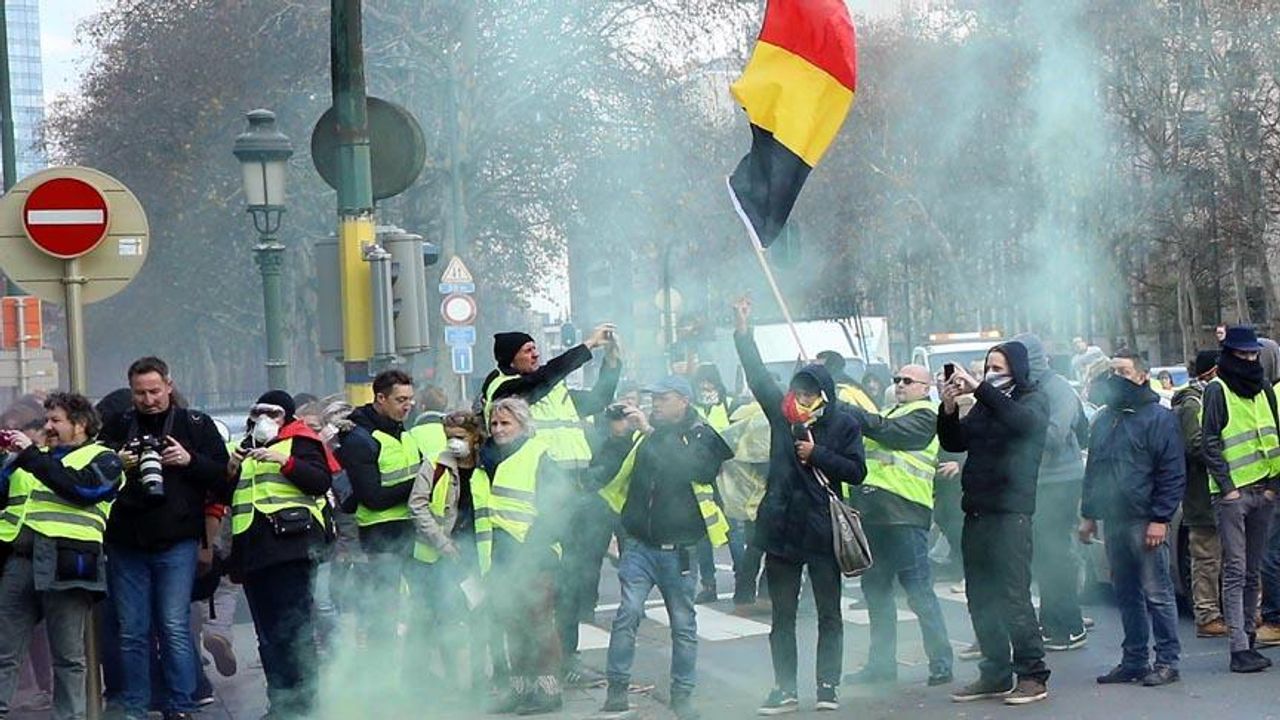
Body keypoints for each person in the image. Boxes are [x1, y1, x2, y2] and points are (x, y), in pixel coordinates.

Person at [732, 300, 866, 715]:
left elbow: (856, 472)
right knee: (782, 618)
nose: (801, 398)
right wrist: (743, 331)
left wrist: (817, 454)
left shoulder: (843, 424)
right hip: (781, 529)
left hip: (823, 531)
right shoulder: (782, 417)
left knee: (829, 614)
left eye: (810, 392)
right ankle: (784, 688)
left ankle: (828, 685)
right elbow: (757, 377)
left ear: (824, 395)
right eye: (798, 391)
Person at [481, 324, 621, 683]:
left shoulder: (553, 389)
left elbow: (598, 399)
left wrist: (612, 363)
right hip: (541, 499)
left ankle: (567, 658)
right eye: (527, 349)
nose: (535, 354)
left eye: (535, 349)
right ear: (510, 358)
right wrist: (587, 345)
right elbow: (542, 380)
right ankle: (523, 674)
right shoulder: (505, 388)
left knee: (572, 581)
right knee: (533, 593)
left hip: (574, 493)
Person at [99, 357, 229, 720]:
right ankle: (135, 707)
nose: (149, 400)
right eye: (140, 393)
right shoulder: (117, 426)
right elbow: (92, 473)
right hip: (126, 541)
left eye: (155, 391)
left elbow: (222, 479)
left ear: (169, 386)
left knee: (173, 626)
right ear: (131, 393)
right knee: (132, 631)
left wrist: (189, 460)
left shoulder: (195, 425)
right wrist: (117, 463)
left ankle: (181, 704)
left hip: (177, 540)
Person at [596, 376, 732, 720]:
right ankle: (617, 690)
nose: (655, 404)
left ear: (684, 400)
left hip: (680, 549)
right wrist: (617, 433)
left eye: (663, 398)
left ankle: (682, 695)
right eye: (652, 398)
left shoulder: (702, 433)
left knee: (683, 625)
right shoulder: (641, 435)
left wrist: (651, 434)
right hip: (640, 544)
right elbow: (607, 472)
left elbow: (697, 469)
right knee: (627, 614)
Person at [938, 341, 1051, 706]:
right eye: (988, 367)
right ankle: (995, 671)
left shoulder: (1031, 400)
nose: (990, 373)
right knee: (980, 596)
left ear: (1016, 369)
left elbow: (1022, 423)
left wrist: (981, 391)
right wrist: (950, 407)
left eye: (998, 368)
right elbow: (955, 440)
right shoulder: (987, 407)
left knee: (1013, 596)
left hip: (1011, 513)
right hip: (977, 511)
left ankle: (1032, 673)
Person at [0, 393, 124, 720]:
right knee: (4, 650)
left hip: (68, 562)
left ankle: (68, 717)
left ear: (80, 424)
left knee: (68, 657)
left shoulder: (105, 459)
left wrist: (29, 456)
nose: (49, 427)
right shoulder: (32, 457)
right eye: (47, 421)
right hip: (21, 560)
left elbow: (82, 490)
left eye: (56, 421)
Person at [1079, 351, 1185, 687]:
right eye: (1112, 372)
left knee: (1157, 593)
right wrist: (1089, 516)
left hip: (1144, 520)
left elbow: (1171, 471)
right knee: (1125, 592)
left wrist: (1160, 518)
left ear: (1142, 376)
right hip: (1114, 520)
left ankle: (1167, 661)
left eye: (1124, 371)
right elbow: (1095, 468)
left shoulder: (1159, 418)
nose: (1116, 378)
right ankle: (1134, 660)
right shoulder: (1104, 418)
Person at [842, 364, 952, 688]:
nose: (900, 385)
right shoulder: (890, 411)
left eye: (907, 381)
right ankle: (881, 664)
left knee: (918, 592)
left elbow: (888, 431)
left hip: (905, 515)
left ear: (925, 386)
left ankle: (941, 661)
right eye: (897, 380)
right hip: (875, 516)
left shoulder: (927, 415)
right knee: (876, 595)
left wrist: (847, 406)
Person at [225, 391, 334, 717]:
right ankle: (281, 705)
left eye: (272, 413)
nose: (264, 419)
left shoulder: (301, 441)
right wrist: (230, 469)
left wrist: (284, 462)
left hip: (291, 548)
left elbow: (319, 480)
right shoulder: (241, 448)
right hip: (253, 552)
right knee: (268, 637)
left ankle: (304, 706)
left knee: (294, 632)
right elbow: (225, 494)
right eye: (258, 412)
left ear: (286, 416)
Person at [479, 398, 571, 715]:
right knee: (513, 626)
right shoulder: (490, 458)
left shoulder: (539, 455)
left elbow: (556, 508)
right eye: (494, 424)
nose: (498, 429)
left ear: (522, 424)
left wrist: (533, 549)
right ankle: (520, 690)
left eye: (506, 423)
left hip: (534, 556)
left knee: (539, 626)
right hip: (503, 557)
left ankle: (548, 692)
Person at [1202, 326, 1279, 673]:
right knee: (1235, 571)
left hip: (1263, 490)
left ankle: (1248, 638)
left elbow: (1275, 436)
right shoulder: (1217, 390)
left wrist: (1272, 486)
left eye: (1252, 354)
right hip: (1233, 495)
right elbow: (1210, 442)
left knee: (1252, 571)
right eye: (1243, 354)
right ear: (1229, 354)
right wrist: (1228, 487)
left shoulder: (1264, 389)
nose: (1249, 359)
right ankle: (1238, 647)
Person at [333, 369, 420, 649]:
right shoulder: (361, 439)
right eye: (400, 399)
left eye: (410, 399)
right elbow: (372, 497)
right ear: (380, 399)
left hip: (410, 531)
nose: (407, 405)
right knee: (384, 611)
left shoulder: (400, 431)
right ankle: (380, 673)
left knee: (421, 607)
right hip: (380, 536)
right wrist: (420, 484)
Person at [1014, 334, 1090, 652]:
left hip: (1059, 480)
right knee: (1043, 554)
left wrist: (1013, 425)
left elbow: (1056, 435)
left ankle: (1069, 625)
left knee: (1054, 551)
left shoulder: (1057, 388)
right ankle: (1050, 622)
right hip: (1036, 480)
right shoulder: (1025, 389)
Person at [407, 409, 490, 694]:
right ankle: (453, 682)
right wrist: (441, 542)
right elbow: (417, 505)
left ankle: (480, 681)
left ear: (475, 437)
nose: (454, 443)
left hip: (478, 553)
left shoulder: (486, 465)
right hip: (440, 558)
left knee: (481, 617)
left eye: (460, 437)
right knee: (445, 619)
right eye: (448, 437)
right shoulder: (436, 465)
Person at [1174, 351, 1227, 638]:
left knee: (1226, 558)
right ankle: (1207, 615)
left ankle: (1224, 612)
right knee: (1206, 558)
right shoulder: (1192, 404)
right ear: (1211, 372)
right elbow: (1196, 444)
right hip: (1201, 495)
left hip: (1219, 492)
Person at [691, 363, 733, 604]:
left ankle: (743, 582)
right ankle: (709, 584)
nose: (706, 388)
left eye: (710, 383)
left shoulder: (729, 405)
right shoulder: (692, 409)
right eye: (702, 383)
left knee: (735, 532)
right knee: (703, 535)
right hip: (705, 479)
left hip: (730, 478)